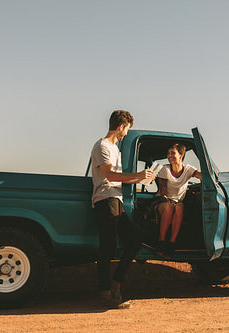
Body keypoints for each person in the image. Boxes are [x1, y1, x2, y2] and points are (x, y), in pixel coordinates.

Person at [90, 110, 153, 309]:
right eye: (126, 129)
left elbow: (121, 178)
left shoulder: (115, 149)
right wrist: (137, 173)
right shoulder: (102, 146)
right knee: (107, 247)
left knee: (134, 240)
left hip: (116, 199)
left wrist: (142, 178)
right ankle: (105, 294)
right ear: (120, 127)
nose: (126, 134)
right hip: (105, 199)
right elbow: (110, 176)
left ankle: (116, 283)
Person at [155, 143, 201, 256]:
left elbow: (201, 175)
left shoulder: (188, 169)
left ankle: (171, 243)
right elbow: (163, 193)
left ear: (181, 155)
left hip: (178, 203)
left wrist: (205, 179)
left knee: (180, 207)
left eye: (173, 153)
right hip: (162, 202)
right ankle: (161, 241)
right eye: (168, 153)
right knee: (169, 207)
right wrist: (169, 201)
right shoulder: (165, 169)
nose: (169, 156)